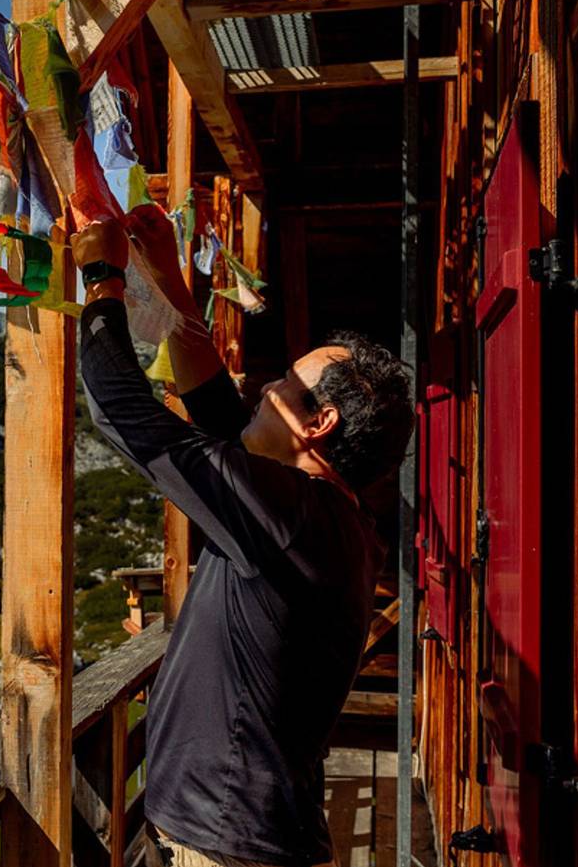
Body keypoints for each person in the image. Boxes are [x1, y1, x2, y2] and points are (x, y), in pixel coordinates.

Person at [70, 206, 415, 867]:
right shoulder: (317, 517)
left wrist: (102, 276)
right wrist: (170, 275)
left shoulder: (293, 518)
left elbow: (121, 409)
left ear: (318, 423)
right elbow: (216, 406)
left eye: (285, 383)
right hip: (244, 839)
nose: (264, 387)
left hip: (222, 848)